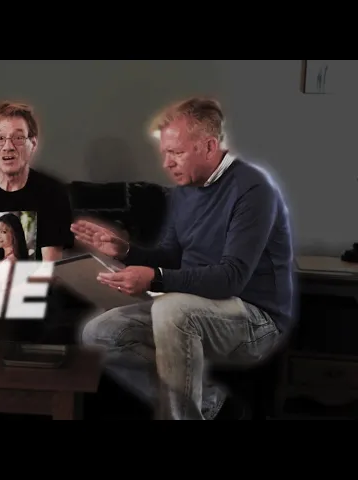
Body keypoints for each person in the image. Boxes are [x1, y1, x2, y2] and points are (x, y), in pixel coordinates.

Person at [72, 97, 295, 420]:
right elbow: (170, 255)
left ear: (209, 146)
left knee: (171, 309)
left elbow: (231, 278)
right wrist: (126, 250)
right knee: (98, 332)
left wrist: (156, 277)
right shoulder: (184, 191)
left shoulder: (253, 189)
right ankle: (213, 406)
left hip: (255, 320)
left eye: (176, 153)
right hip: (193, 307)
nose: (167, 163)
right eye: (164, 153)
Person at [0, 101, 74, 335]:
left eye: (18, 138)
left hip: (32, 296)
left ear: (32, 144)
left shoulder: (52, 192)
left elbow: (50, 269)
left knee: (12, 324)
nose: (8, 146)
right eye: (0, 138)